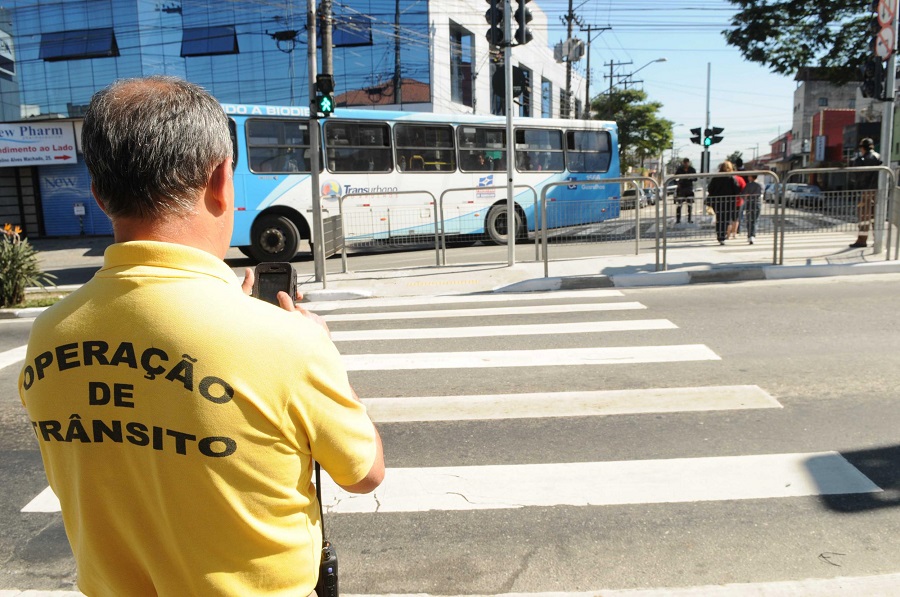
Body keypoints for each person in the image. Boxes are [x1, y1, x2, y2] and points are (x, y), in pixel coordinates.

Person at [18, 76, 384, 596]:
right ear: (220, 181)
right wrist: (321, 352)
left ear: (99, 196)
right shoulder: (285, 343)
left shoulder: (48, 334)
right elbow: (364, 473)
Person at [849, 137, 882, 248]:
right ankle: (878, 240)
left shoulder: (862, 160)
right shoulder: (879, 157)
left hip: (866, 191)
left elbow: (856, 176)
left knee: (864, 217)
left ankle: (862, 240)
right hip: (878, 191)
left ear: (863, 148)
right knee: (875, 217)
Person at [706, 160, 743, 245]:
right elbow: (736, 189)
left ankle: (720, 236)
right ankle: (723, 236)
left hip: (717, 201)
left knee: (719, 218)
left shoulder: (716, 177)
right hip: (729, 201)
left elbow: (710, 189)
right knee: (726, 219)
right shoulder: (731, 178)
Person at [740, 174, 763, 244]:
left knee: (749, 220)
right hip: (758, 203)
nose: (747, 177)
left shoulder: (748, 185)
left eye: (749, 176)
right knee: (755, 220)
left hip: (749, 203)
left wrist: (746, 197)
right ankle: (753, 235)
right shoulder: (761, 184)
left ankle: (750, 235)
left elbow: (743, 194)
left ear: (751, 177)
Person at [674, 158, 697, 224]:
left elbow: (696, 178)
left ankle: (689, 219)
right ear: (683, 163)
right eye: (685, 162)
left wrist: (690, 178)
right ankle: (678, 220)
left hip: (689, 189)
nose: (686, 164)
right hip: (681, 189)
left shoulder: (692, 169)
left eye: (687, 162)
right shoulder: (679, 169)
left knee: (689, 205)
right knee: (679, 205)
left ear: (688, 162)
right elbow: (675, 178)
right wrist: (678, 182)